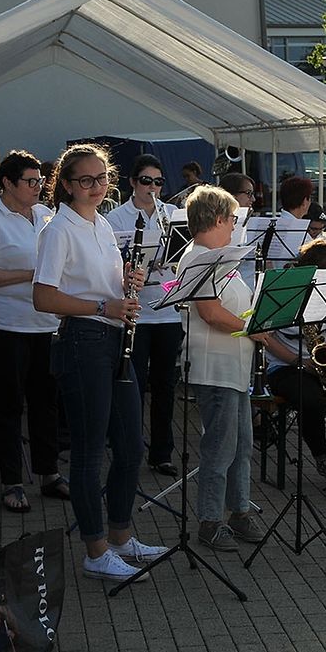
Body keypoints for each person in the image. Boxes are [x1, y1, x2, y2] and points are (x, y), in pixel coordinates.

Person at [33, 143, 170, 582]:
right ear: (66, 185)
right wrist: (102, 306)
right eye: (86, 180)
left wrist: (127, 280)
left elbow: (101, 285)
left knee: (130, 446)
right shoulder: (59, 229)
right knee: (90, 452)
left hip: (113, 339)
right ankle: (95, 551)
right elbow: (43, 297)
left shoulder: (103, 224)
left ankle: (120, 537)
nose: (96, 187)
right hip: (83, 341)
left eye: (101, 178)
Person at [0, 150, 64, 513]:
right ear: (7, 183)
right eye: (30, 181)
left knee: (45, 403)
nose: (38, 187)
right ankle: (12, 482)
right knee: (7, 406)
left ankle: (49, 473)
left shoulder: (46, 215)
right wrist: (31, 275)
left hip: (45, 323)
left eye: (40, 181)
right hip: (3, 326)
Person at [180, 185, 267, 551]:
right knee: (219, 448)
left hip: (234, 367)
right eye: (232, 218)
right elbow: (211, 313)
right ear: (217, 219)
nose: (234, 225)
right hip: (214, 367)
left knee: (241, 444)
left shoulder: (219, 257)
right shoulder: (198, 259)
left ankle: (239, 511)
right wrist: (252, 327)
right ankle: (210, 520)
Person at [264, 239, 326, 484]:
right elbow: (265, 337)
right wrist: (297, 360)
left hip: (323, 360)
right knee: (311, 399)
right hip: (284, 366)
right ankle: (322, 458)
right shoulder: (284, 290)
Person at [106, 154, 184, 476]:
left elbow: (185, 257)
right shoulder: (116, 218)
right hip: (137, 312)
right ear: (133, 182)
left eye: (158, 182)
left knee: (165, 385)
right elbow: (111, 266)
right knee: (133, 384)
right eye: (146, 181)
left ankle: (162, 453)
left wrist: (175, 261)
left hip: (167, 312)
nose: (153, 188)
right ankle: (130, 448)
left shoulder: (173, 214)